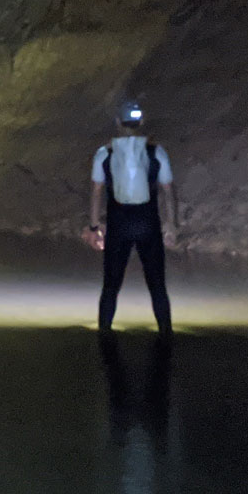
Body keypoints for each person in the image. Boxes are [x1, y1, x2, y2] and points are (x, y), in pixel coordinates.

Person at [88, 102, 176, 334]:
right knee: (157, 285)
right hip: (148, 222)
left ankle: (104, 333)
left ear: (118, 123)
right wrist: (171, 224)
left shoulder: (104, 153)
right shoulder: (156, 152)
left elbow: (97, 190)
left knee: (111, 285)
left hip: (119, 222)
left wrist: (94, 226)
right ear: (141, 123)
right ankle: (166, 332)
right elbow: (167, 189)